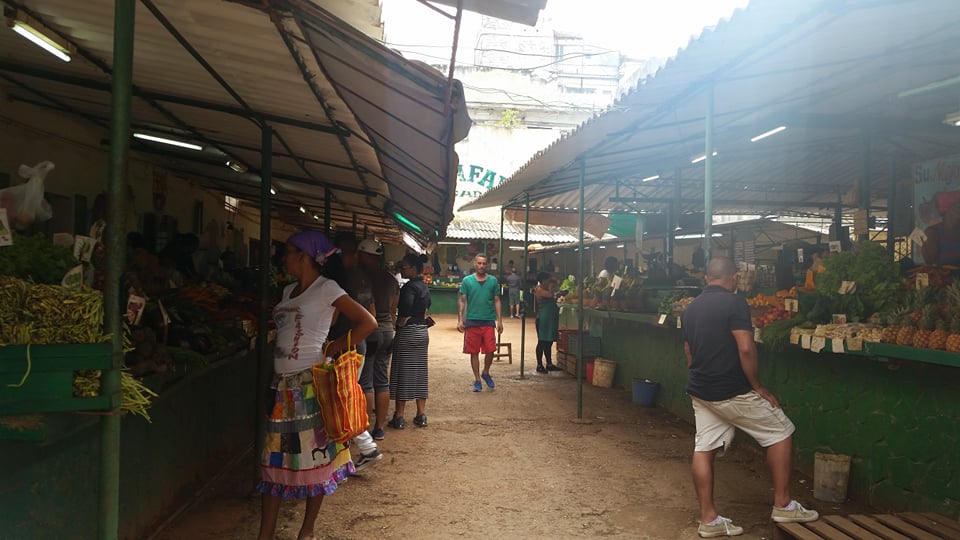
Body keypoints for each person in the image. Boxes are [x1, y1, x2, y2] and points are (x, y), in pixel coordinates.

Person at [680, 258, 818, 538]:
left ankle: (708, 519)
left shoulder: (690, 308)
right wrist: (756, 385)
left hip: (700, 389)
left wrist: (702, 375)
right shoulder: (735, 303)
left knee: (704, 448)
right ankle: (783, 504)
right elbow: (745, 347)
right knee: (781, 432)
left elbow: (688, 351)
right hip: (731, 390)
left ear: (707, 278)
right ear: (731, 278)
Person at [257, 231, 377, 540]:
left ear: (304, 256)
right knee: (273, 459)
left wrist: (335, 345)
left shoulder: (328, 289)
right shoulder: (287, 292)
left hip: (310, 385)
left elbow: (367, 322)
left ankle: (306, 531)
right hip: (281, 387)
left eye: (288, 252)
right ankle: (265, 534)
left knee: (316, 458)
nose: (283, 257)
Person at [322, 233, 382, 471]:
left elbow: (334, 316)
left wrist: (332, 343)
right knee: (345, 396)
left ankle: (363, 447)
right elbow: (372, 313)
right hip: (357, 344)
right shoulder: (360, 278)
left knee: (341, 399)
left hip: (346, 345)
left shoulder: (340, 281)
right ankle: (362, 447)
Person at [357, 239, 399, 440]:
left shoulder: (363, 278)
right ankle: (379, 428)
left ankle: (364, 430)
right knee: (382, 381)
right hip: (387, 331)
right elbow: (393, 311)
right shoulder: (391, 280)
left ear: (365, 255)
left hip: (370, 333)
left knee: (366, 383)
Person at [387, 253, 432, 429]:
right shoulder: (424, 286)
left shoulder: (408, 287)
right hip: (422, 332)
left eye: (404, 267)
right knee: (420, 372)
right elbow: (428, 304)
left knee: (402, 372)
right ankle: (421, 414)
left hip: (408, 333)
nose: (401, 269)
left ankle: (399, 416)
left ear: (413, 268)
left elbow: (405, 309)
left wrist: (399, 321)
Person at [457, 254, 503, 392]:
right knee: (474, 351)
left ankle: (486, 372)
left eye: (484, 263)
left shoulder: (493, 281)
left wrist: (499, 320)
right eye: (479, 263)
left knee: (491, 349)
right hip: (472, 321)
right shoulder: (467, 281)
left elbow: (497, 300)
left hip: (488, 320)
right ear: (474, 264)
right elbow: (462, 300)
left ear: (487, 265)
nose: (481, 266)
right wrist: (460, 319)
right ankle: (477, 379)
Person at [533, 272, 561, 373]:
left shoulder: (544, 288)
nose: (550, 282)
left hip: (550, 319)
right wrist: (550, 286)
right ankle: (539, 364)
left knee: (548, 342)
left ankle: (549, 363)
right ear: (544, 280)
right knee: (542, 341)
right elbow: (550, 295)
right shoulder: (539, 289)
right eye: (548, 280)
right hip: (543, 319)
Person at [922, 190, 960, 265]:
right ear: (947, 209)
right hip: (942, 276)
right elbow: (930, 265)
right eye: (958, 207)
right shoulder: (932, 233)